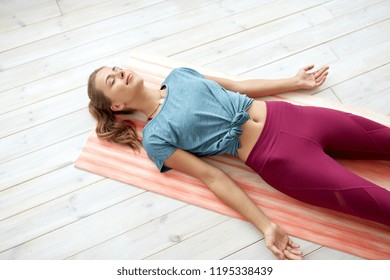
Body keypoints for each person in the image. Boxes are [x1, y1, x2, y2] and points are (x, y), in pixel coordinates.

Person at [87, 64, 390, 260]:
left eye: (116, 68)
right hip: (280, 160)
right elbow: (212, 177)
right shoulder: (155, 138)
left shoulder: (179, 75)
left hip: (296, 116)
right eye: (112, 80)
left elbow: (237, 84)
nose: (120, 72)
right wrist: (265, 226)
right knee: (379, 205)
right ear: (117, 105)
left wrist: (293, 80)